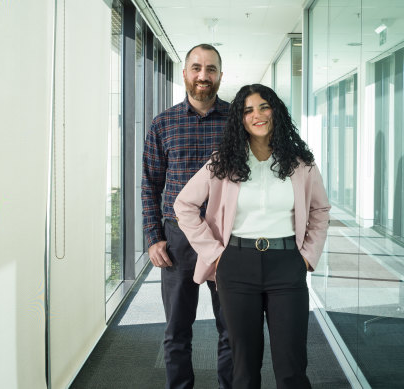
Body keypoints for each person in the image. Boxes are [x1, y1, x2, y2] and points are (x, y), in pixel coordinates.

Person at [173, 83, 331, 389]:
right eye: (247, 110)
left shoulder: (301, 163)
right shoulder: (224, 162)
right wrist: (214, 254)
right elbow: (184, 204)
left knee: (292, 366)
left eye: (263, 106)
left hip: (286, 264)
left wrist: (308, 256)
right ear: (239, 120)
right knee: (243, 367)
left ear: (276, 111)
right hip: (236, 265)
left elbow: (320, 210)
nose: (256, 115)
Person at [142, 43, 232, 389]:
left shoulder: (237, 123)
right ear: (184, 74)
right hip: (179, 240)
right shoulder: (162, 123)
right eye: (196, 68)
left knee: (233, 329)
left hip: (226, 237)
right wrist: (154, 238)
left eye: (210, 69)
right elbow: (150, 183)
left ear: (221, 76)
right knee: (177, 330)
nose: (203, 76)